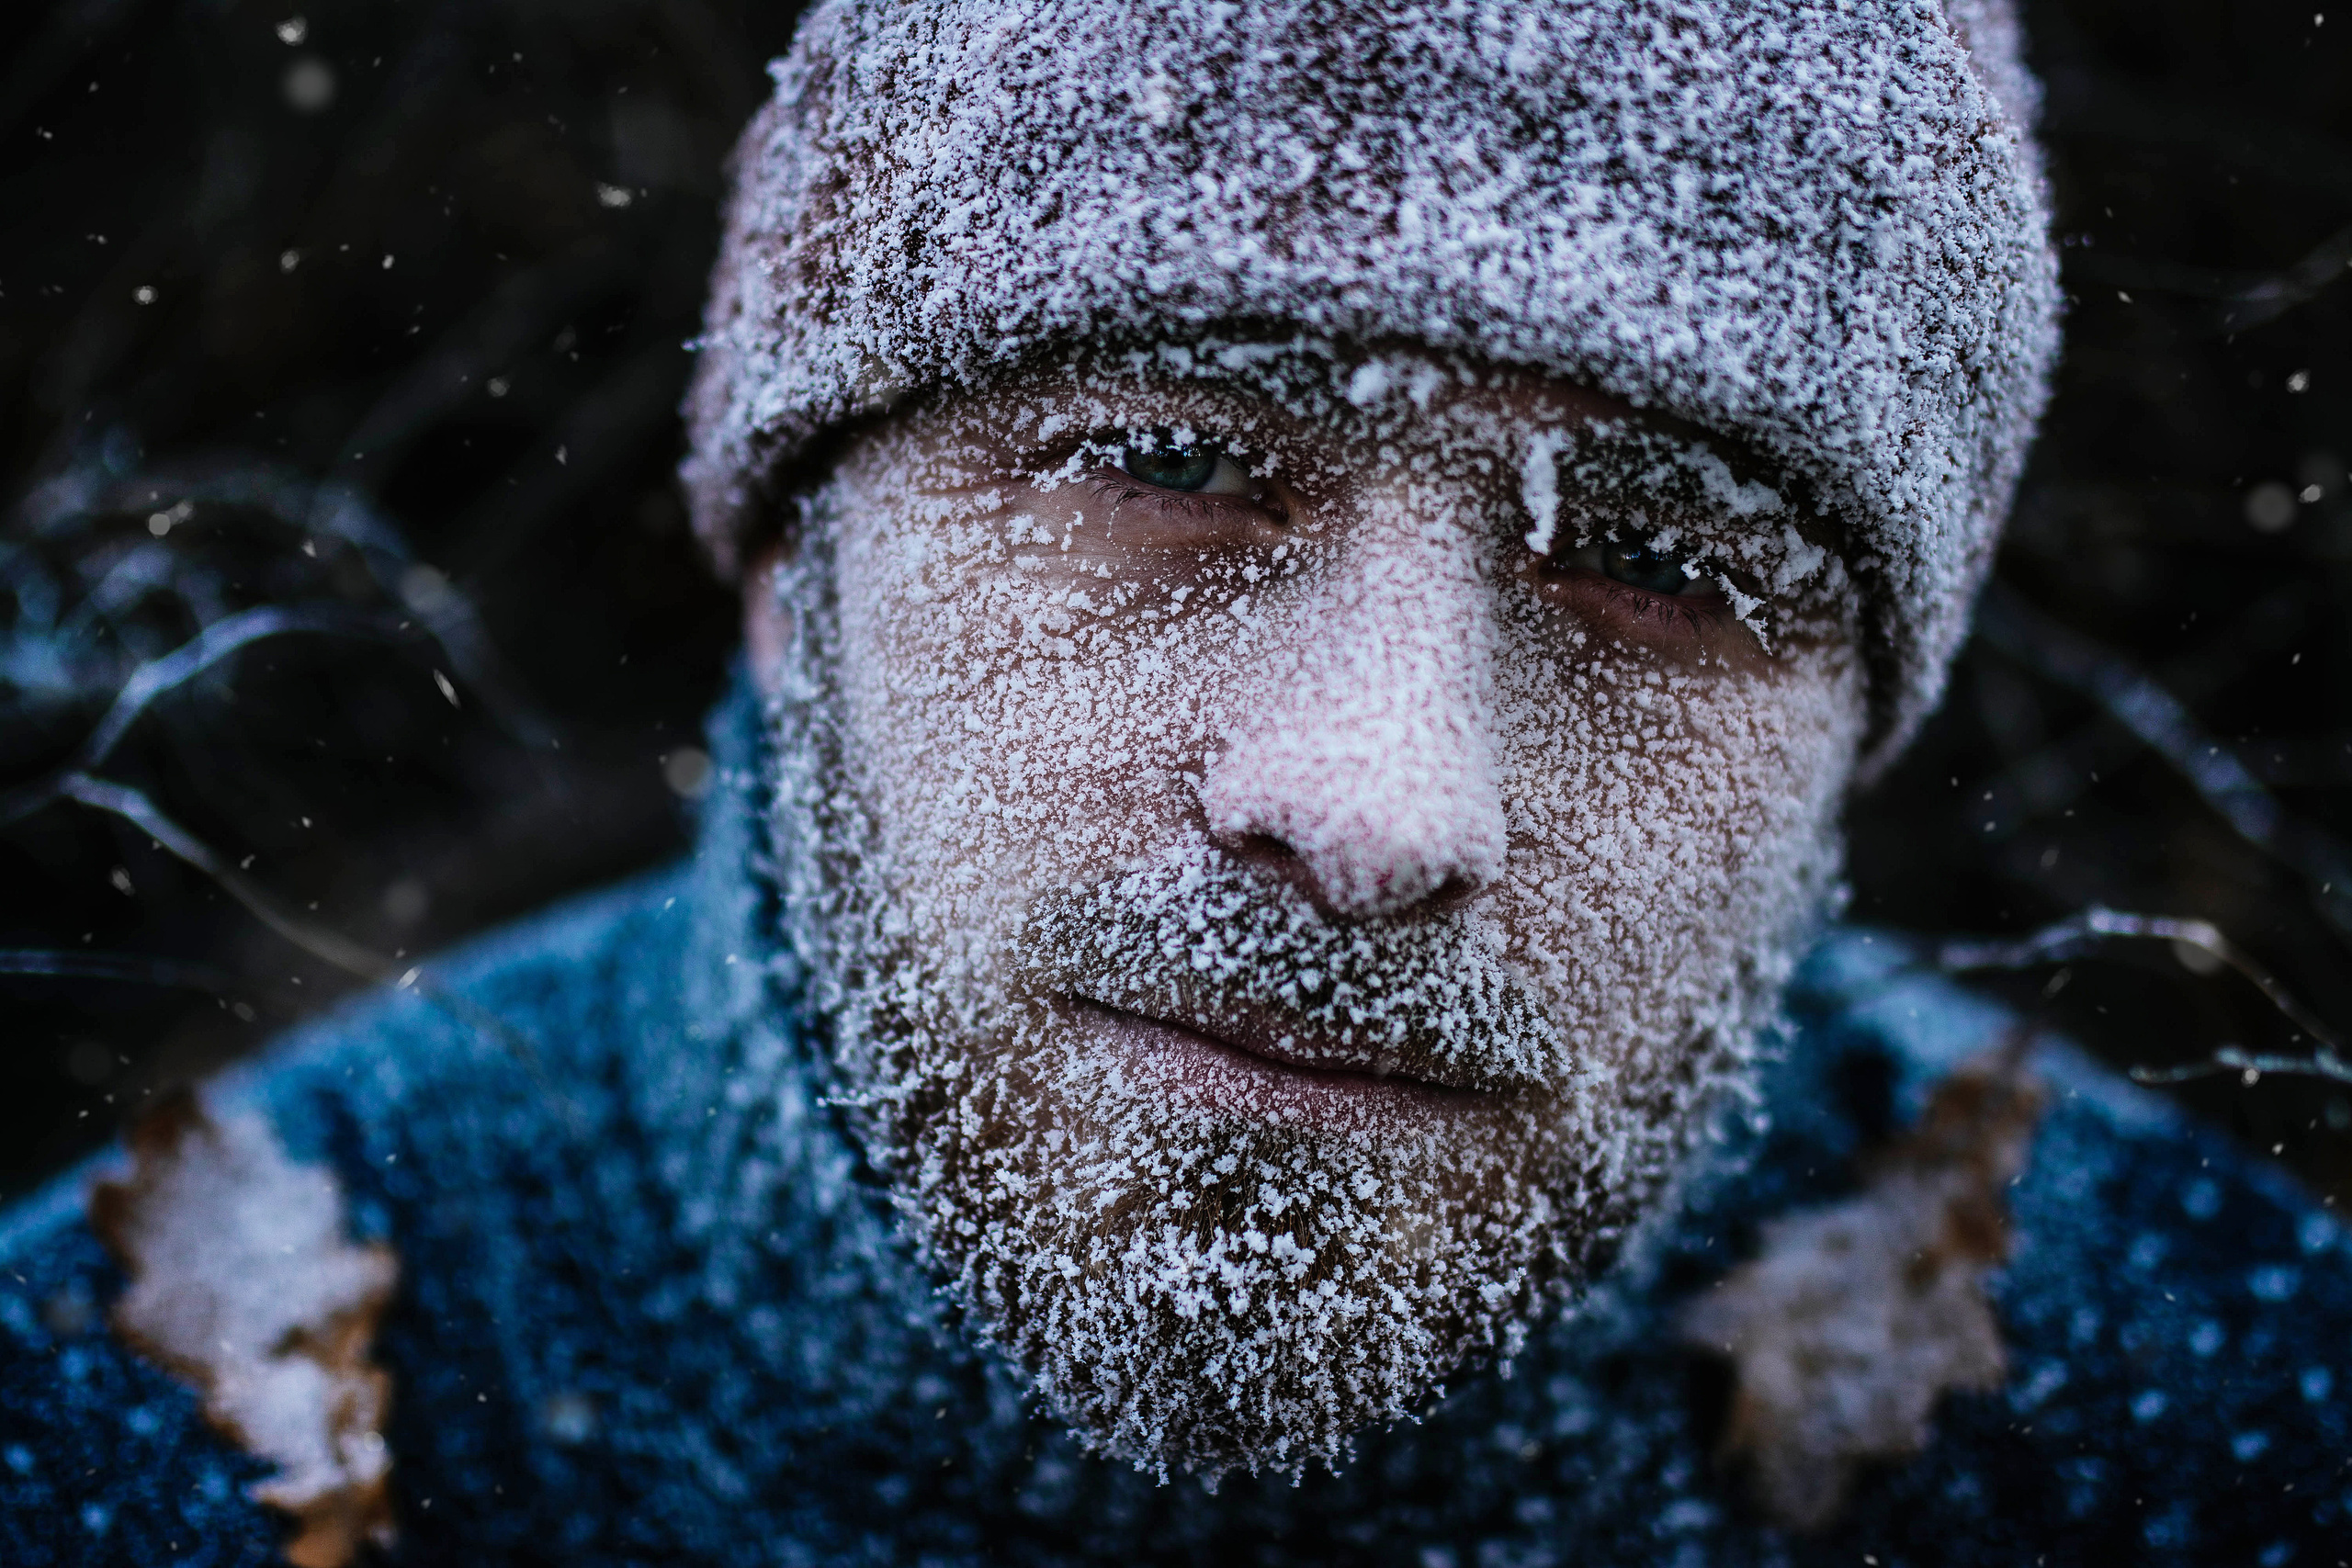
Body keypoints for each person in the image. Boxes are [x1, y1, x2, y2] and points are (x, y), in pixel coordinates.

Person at [4, 2, 2346, 1562]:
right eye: (1167, 463)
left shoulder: (2234, 1429)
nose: (1380, 803)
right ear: (786, 573)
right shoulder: (117, 1439)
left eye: (1660, 563)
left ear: (1849, 742)